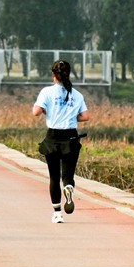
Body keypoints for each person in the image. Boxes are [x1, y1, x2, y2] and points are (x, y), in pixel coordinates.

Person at [32, 60, 90, 223]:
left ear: (53, 75)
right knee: (67, 175)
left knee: (53, 177)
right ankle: (68, 187)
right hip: (70, 137)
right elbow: (85, 116)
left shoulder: (47, 92)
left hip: (52, 138)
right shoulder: (77, 95)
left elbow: (36, 112)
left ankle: (57, 213)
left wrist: (46, 110)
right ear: (67, 74)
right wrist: (72, 116)